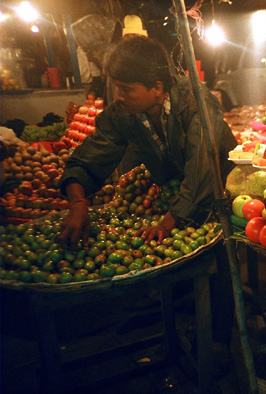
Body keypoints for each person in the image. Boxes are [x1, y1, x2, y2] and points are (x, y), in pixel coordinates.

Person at [58, 36, 237, 362]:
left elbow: (203, 167)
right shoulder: (123, 114)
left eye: (126, 88)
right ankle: (181, 315)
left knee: (221, 257)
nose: (118, 96)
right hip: (176, 189)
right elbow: (87, 159)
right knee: (179, 264)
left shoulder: (196, 102)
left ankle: (219, 339)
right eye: (115, 87)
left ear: (157, 88)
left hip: (219, 184)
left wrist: (170, 220)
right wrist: (78, 204)